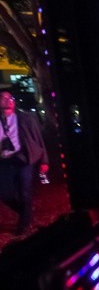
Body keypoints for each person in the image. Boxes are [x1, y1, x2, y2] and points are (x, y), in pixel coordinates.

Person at [0, 90, 49, 235]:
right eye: (3, 98)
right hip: (5, 161)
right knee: (5, 194)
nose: (8, 100)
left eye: (10, 98)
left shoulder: (25, 118)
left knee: (25, 192)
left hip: (23, 158)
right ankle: (25, 212)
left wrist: (44, 160)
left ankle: (24, 225)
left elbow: (38, 139)